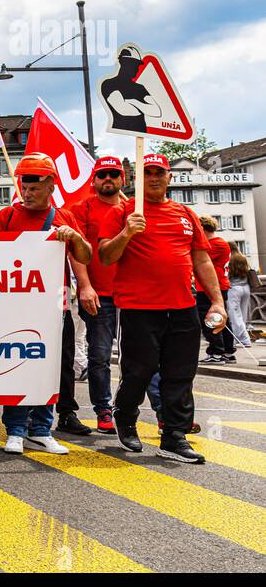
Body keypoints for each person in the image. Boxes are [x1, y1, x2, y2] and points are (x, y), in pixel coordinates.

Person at [98, 153, 227, 464]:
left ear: (169, 177)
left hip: (183, 306)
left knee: (181, 374)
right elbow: (104, 256)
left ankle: (174, 435)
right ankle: (126, 416)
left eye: (159, 172)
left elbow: (201, 260)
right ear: (137, 179)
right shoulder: (123, 211)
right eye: (147, 173)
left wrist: (217, 301)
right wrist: (127, 232)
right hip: (139, 308)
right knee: (139, 372)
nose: (154, 177)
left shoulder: (185, 214)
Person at [0, 154, 93, 455]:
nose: (28, 192)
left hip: (55, 306)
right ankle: (15, 429)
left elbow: (84, 257)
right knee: (17, 365)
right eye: (25, 185)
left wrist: (74, 237)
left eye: (35, 186)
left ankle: (41, 429)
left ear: (51, 185)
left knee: (51, 369)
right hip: (16, 306)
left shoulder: (66, 218)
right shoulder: (6, 218)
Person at [66, 156, 126, 433]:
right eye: (102, 174)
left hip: (134, 294)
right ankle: (104, 411)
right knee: (99, 356)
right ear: (94, 180)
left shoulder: (133, 208)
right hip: (100, 294)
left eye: (114, 174)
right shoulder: (82, 208)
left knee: (143, 358)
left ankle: (161, 412)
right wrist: (85, 285)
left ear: (122, 179)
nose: (108, 179)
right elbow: (75, 250)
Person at [194, 216, 235, 363]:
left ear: (202, 229)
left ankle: (216, 351)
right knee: (222, 319)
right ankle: (228, 351)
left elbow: (198, 259)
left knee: (209, 319)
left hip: (211, 287)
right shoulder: (219, 243)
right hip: (216, 286)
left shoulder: (215, 244)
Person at [226, 251, 258, 351]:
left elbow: (226, 274)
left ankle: (244, 339)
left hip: (234, 289)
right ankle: (238, 338)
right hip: (246, 288)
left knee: (234, 315)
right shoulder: (242, 257)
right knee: (243, 315)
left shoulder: (229, 260)